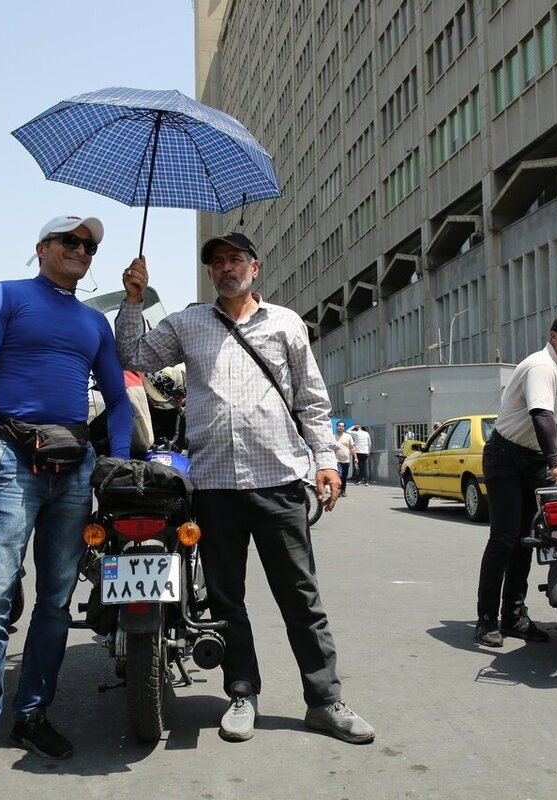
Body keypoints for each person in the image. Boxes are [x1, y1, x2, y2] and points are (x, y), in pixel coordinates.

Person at [114, 231, 374, 745]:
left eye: (235, 259)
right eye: (216, 262)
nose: (225, 267)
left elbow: (312, 400)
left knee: (300, 597)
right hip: (212, 486)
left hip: (278, 482)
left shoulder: (286, 324)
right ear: (211, 273)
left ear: (255, 268)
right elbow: (136, 355)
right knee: (226, 600)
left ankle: (324, 701)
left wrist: (326, 460)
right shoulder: (187, 323)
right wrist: (132, 300)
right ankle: (241, 692)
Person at [0, 214, 132, 786]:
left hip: (73, 469)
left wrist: (117, 460)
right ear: (42, 248)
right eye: (71, 241)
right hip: (9, 462)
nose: (82, 250)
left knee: (54, 601)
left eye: (89, 246)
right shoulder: (6, 297)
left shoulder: (95, 322)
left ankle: (31, 715)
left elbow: (119, 397)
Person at [474, 311, 557, 647]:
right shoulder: (542, 366)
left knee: (527, 540)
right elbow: (541, 416)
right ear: (554, 335)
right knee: (504, 538)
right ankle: (486, 620)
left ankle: (513, 615)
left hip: (531, 459)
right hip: (505, 457)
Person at [334, 421, 356, 496]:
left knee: (344, 477)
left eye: (342, 426)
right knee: (339, 476)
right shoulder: (333, 437)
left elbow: (352, 447)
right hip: (337, 460)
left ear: (344, 427)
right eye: (339, 426)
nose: (340, 427)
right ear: (337, 426)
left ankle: (343, 490)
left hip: (346, 460)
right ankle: (338, 490)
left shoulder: (348, 436)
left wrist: (355, 457)